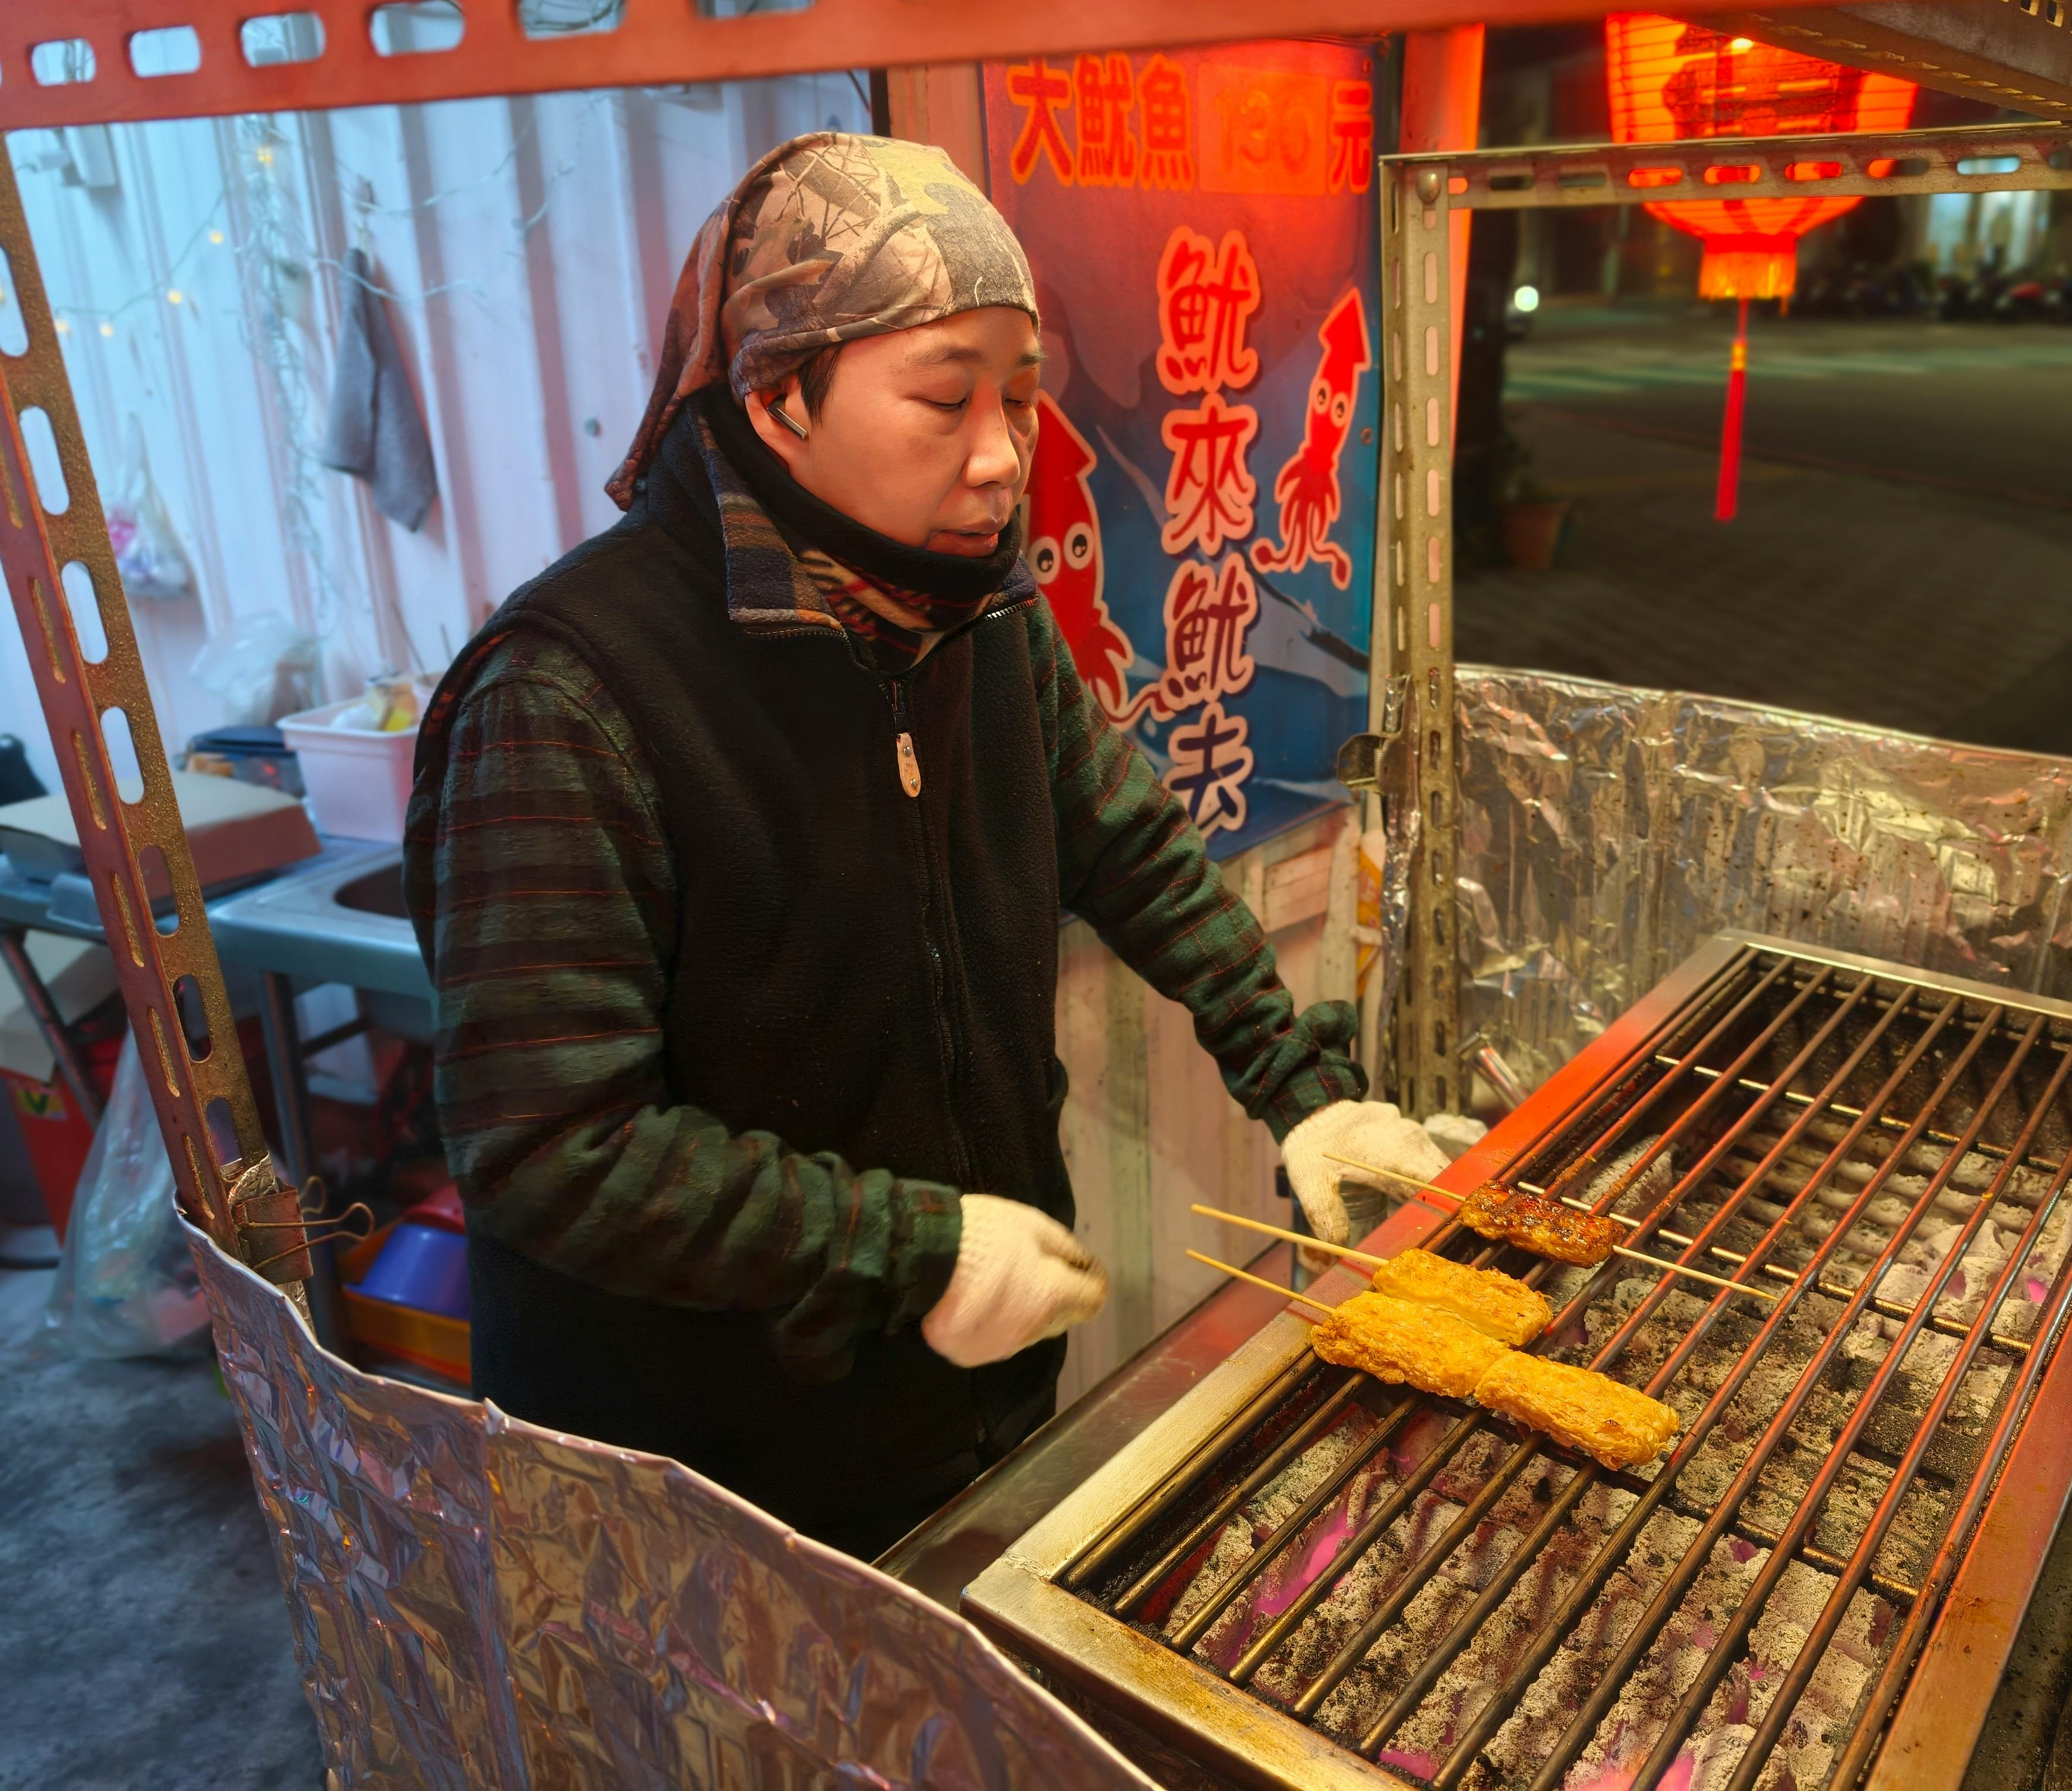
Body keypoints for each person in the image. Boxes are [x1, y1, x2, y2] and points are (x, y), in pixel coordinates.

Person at [402, 133, 1458, 1561]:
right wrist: (913, 1246)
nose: (1000, 457)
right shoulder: (569, 695)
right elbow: (554, 1150)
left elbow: (1131, 848)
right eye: (944, 400)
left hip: (961, 1406)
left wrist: (1301, 1088)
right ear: (779, 399)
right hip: (698, 1481)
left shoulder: (973, 617)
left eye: (1019, 399)